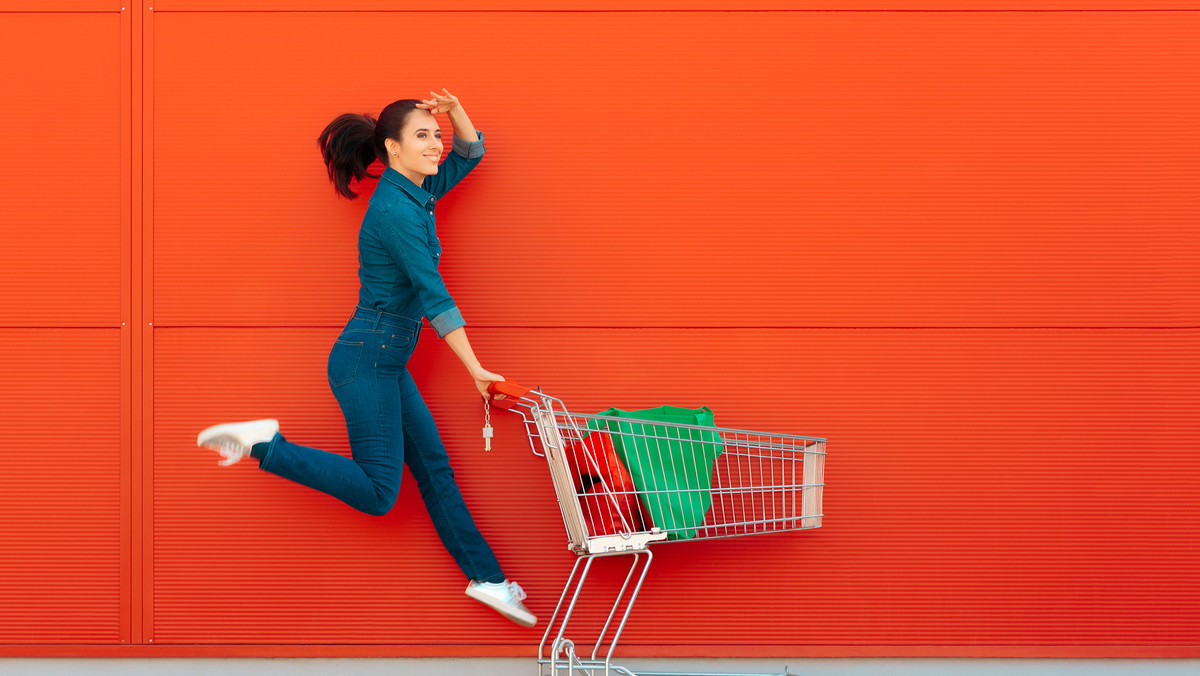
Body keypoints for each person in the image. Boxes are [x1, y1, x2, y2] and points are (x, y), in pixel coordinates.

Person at [196, 89, 535, 628]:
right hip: (366, 359)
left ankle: (488, 579)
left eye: (436, 136)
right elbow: (434, 296)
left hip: (384, 360)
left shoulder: (417, 192)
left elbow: (471, 155)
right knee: (381, 494)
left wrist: (455, 113)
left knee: (435, 472)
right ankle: (267, 445)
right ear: (392, 149)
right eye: (422, 136)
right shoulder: (397, 213)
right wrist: (476, 370)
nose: (436, 145)